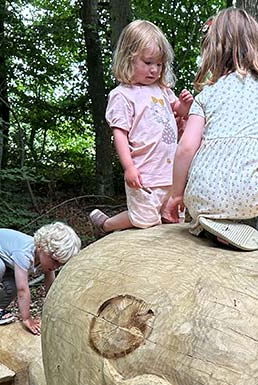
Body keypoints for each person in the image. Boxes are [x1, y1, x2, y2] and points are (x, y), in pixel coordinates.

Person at [162, 8, 258, 251]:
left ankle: (210, 220)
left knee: (216, 175)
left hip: (201, 194)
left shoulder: (207, 95)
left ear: (214, 51)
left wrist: (176, 195)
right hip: (252, 193)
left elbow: (186, 147)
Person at [89, 20, 194, 234]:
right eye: (148, 62)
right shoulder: (122, 95)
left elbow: (180, 111)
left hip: (171, 171)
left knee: (174, 219)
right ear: (129, 58)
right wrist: (128, 167)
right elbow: (119, 133)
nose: (154, 70)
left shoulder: (162, 89)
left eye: (159, 64)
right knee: (144, 219)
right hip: (144, 171)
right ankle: (106, 225)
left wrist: (184, 104)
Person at [0, 222, 80, 335]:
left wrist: (53, 308)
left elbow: (50, 287)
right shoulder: (24, 254)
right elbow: (23, 289)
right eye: (54, 261)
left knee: (12, 287)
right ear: (40, 247)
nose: (56, 266)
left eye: (60, 263)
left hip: (4, 257)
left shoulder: (44, 256)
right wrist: (27, 318)